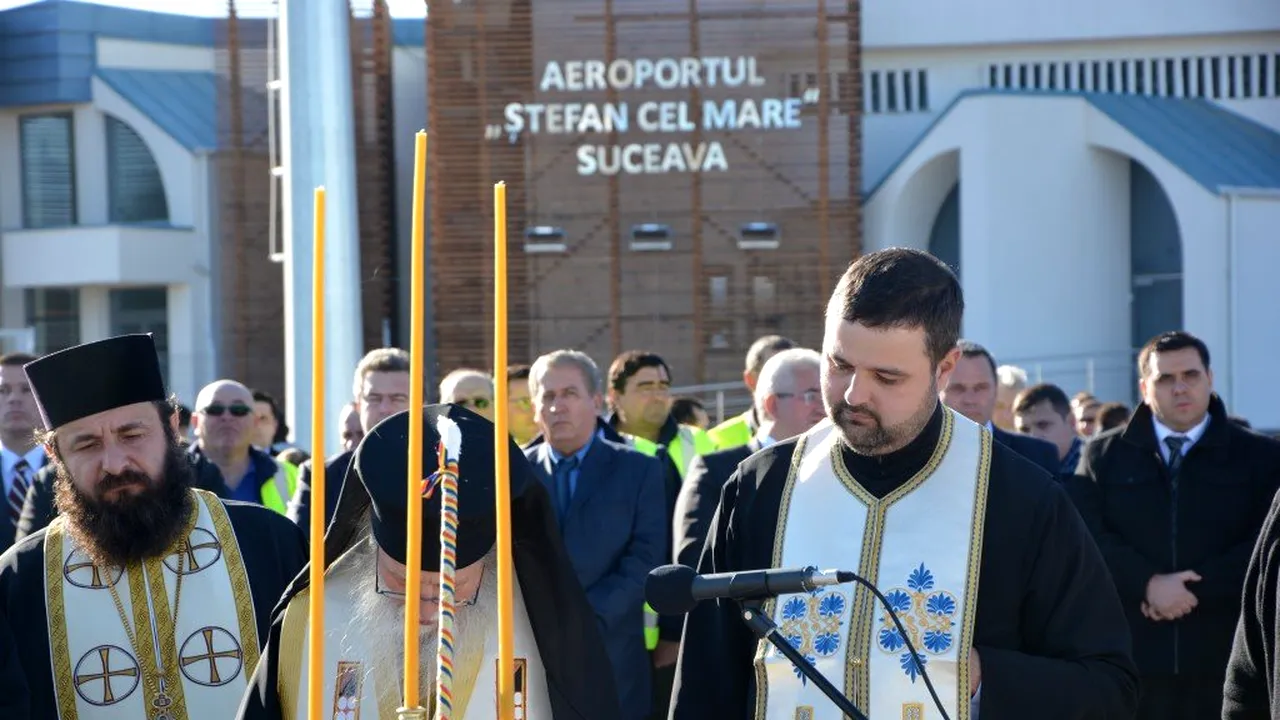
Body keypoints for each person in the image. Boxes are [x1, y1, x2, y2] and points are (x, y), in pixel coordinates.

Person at [669, 248, 1138, 719]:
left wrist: (978, 677)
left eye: (886, 377)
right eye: (840, 366)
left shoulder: (1019, 498)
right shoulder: (761, 487)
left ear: (944, 369)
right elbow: (705, 683)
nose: (854, 395)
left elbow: (1106, 687)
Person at [237, 404, 621, 719]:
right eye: (400, 583)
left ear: (490, 562)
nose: (425, 612)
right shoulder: (311, 619)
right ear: (372, 550)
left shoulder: (545, 627)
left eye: (450, 591)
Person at [0, 334, 308, 719]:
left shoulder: (269, 542)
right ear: (54, 454)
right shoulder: (19, 581)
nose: (114, 463)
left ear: (172, 426)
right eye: (87, 445)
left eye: (132, 435)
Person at [1074, 331, 1280, 720]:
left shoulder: (1261, 456)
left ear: (1209, 379)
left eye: (1190, 375)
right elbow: (1086, 535)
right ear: (1144, 387)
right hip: (1132, 657)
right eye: (1165, 379)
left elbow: (1265, 544)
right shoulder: (1104, 454)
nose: (1180, 388)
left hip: (1225, 659)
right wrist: (1148, 583)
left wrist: (1191, 588)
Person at [674, 348, 825, 569]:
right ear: (772, 404)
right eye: (812, 395)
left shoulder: (837, 470)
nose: (824, 407)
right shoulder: (715, 471)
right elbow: (696, 563)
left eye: (828, 395)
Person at [940, 340, 1060, 476]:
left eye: (981, 388)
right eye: (958, 388)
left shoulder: (1037, 456)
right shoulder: (915, 454)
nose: (970, 399)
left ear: (996, 390)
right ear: (938, 390)